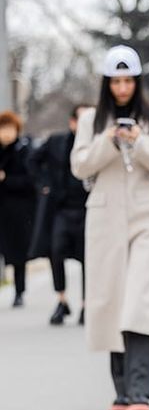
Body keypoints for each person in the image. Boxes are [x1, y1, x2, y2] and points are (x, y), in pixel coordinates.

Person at [71, 45, 149, 410]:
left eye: (129, 80)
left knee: (140, 300)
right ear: (106, 83)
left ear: (138, 81)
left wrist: (138, 141)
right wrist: (111, 140)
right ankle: (121, 390)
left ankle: (141, 392)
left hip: (147, 216)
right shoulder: (90, 120)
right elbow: (80, 166)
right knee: (113, 299)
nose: (123, 88)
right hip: (105, 216)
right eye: (116, 81)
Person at [32, 104, 91, 325]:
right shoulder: (56, 141)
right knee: (56, 251)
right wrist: (44, 184)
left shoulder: (96, 144)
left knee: (89, 258)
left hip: (89, 209)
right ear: (73, 122)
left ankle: (87, 304)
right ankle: (62, 300)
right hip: (61, 209)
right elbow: (33, 160)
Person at [0, 111, 35, 307]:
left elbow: (30, 181)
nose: (6, 133)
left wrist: (6, 179)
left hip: (18, 210)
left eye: (9, 129)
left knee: (17, 253)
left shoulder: (24, 151)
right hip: (2, 208)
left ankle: (19, 291)